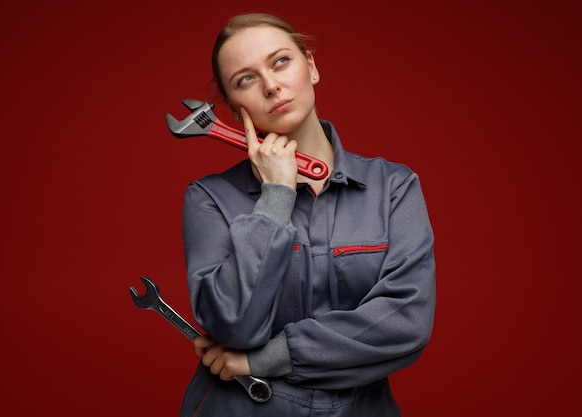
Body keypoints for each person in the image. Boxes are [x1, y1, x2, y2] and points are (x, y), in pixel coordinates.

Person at [180, 12, 436, 416]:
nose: (270, 85)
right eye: (245, 79)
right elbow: (235, 325)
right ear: (232, 107)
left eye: (280, 61)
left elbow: (405, 324)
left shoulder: (393, 188)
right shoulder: (209, 199)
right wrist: (277, 195)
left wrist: (259, 360)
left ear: (311, 67)